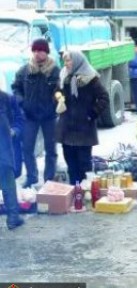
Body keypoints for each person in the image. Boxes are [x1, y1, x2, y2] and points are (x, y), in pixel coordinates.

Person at [12, 38, 60, 188]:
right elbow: (15, 87)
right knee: (27, 148)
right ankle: (32, 177)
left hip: (49, 116)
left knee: (51, 149)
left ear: (46, 52)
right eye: (35, 50)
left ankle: (49, 179)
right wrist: (22, 102)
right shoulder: (25, 70)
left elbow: (60, 90)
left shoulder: (54, 71)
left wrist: (56, 102)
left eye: (40, 50)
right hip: (29, 116)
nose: (37, 53)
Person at [57, 50, 108, 185]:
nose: (66, 64)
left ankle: (86, 193)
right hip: (67, 127)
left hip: (84, 128)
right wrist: (58, 97)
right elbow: (57, 92)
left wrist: (91, 114)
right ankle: (74, 193)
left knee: (84, 164)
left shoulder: (90, 78)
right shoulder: (63, 76)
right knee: (70, 163)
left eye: (69, 60)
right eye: (65, 61)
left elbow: (104, 98)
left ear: (77, 61)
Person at [0, 90, 24, 230]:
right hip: (4, 152)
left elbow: (19, 119)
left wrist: (14, 131)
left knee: (7, 179)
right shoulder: (6, 98)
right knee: (7, 181)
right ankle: (13, 218)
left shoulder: (7, 98)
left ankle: (13, 218)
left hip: (4, 149)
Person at [6, 95, 24, 178]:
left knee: (15, 172)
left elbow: (20, 119)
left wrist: (14, 130)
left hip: (11, 142)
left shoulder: (10, 99)